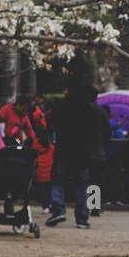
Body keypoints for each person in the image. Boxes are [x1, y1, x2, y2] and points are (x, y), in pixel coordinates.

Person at [46, 83, 107, 229]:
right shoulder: (95, 110)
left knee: (58, 181)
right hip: (86, 153)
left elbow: (50, 123)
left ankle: (58, 209)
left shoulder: (63, 106)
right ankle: (82, 217)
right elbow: (105, 131)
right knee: (84, 184)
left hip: (64, 149)